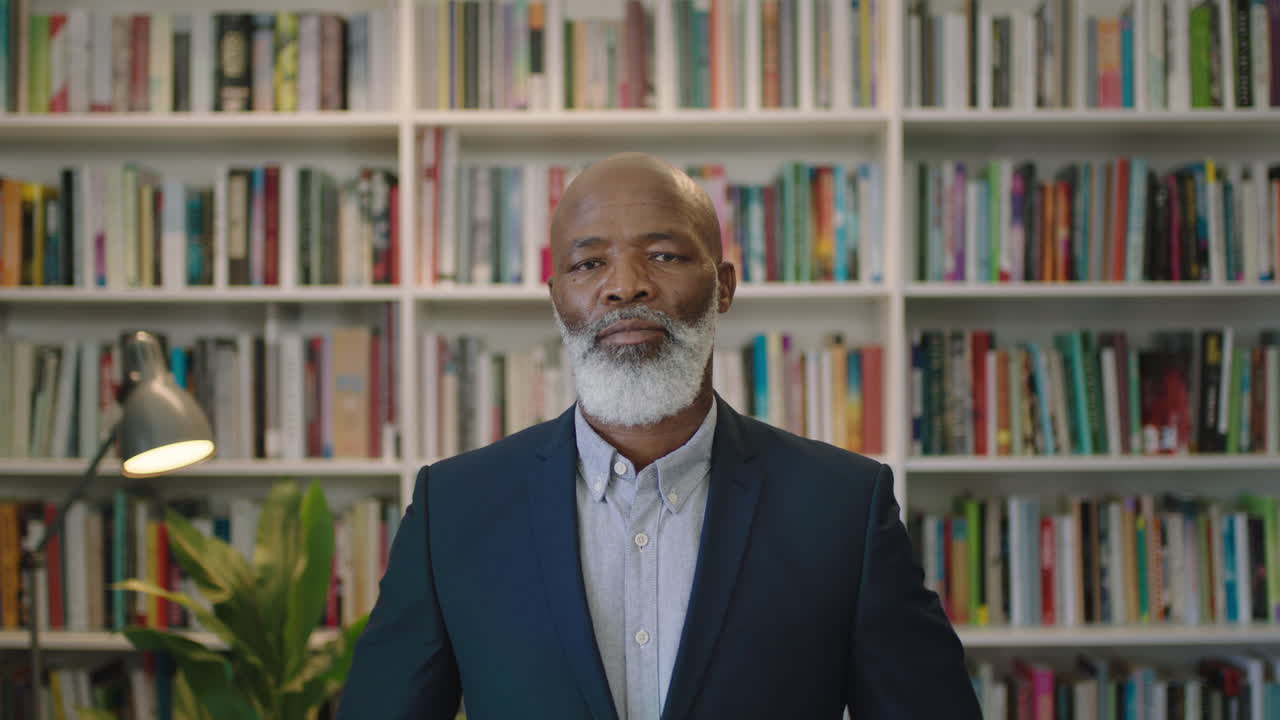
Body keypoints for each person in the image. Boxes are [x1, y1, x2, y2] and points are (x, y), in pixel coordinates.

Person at [338, 153, 981, 719]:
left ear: (723, 287)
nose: (626, 285)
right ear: (556, 296)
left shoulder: (844, 506)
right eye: (589, 263)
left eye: (664, 255)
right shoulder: (454, 509)